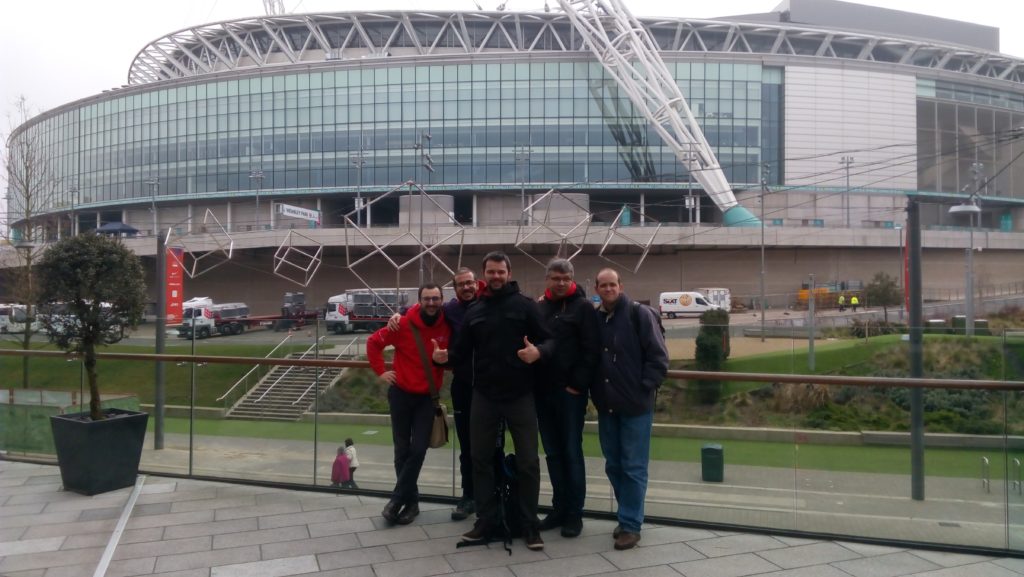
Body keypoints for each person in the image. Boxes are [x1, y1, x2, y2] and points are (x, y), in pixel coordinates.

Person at [433, 251, 551, 551]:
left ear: (508, 273)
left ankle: (529, 524)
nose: (496, 276)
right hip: (483, 396)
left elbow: (551, 340)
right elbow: (459, 352)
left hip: (520, 395)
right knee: (480, 460)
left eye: (500, 272)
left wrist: (539, 353)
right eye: (491, 272)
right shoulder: (475, 310)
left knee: (528, 462)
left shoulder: (525, 306)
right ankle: (485, 521)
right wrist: (443, 358)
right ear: (484, 275)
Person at [389, 267, 484, 520]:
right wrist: (400, 314)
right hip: (463, 385)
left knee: (488, 447)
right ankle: (468, 496)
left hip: (493, 387)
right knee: (466, 445)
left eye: (470, 282)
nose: (466, 287)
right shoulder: (449, 310)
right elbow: (418, 313)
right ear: (455, 288)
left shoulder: (490, 303)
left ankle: (493, 496)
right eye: (461, 284)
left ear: (478, 283)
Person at [591, 268, 669, 550]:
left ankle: (631, 525)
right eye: (603, 285)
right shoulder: (597, 319)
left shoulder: (640, 315)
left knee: (634, 467)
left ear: (620, 286)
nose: (609, 289)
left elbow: (659, 358)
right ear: (597, 288)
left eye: (613, 284)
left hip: (636, 406)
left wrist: (643, 388)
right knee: (614, 465)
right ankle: (626, 517)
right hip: (607, 406)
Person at [367, 283, 451, 526]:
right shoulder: (402, 323)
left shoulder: (449, 323)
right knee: (401, 450)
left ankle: (396, 500)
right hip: (401, 394)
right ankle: (411, 503)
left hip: (427, 398)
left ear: (442, 300)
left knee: (418, 450)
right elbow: (374, 343)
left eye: (436, 298)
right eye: (427, 298)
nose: (432, 303)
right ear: (420, 300)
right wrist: (381, 371)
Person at [534, 258, 600, 538]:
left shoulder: (583, 308)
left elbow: (591, 350)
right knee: (552, 453)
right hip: (542, 392)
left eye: (565, 278)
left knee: (571, 452)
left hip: (570, 395)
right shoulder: (539, 308)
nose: (561, 282)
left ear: (572, 279)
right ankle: (558, 508)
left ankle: (575, 513)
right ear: (547, 279)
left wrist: (577, 386)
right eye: (555, 278)